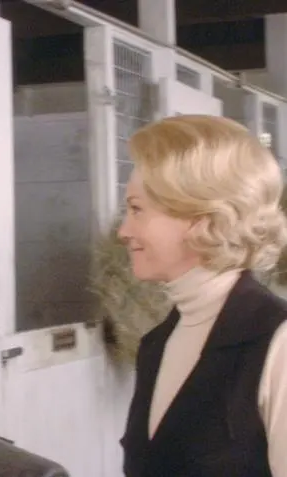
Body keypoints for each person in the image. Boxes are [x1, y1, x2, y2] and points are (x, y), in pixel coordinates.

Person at [117, 114, 287, 477]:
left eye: (137, 209)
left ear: (200, 216)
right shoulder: (156, 344)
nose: (124, 231)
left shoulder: (278, 343)